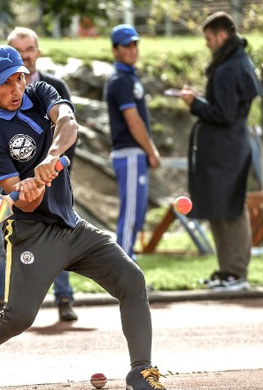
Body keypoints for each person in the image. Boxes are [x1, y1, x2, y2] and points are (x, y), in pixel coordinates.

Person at [0, 45, 175, 390]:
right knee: (19, 317)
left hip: (72, 226)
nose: (16, 87)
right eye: (5, 83)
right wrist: (32, 186)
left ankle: (140, 373)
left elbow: (68, 124)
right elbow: (20, 197)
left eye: (19, 77)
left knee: (132, 278)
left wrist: (51, 158)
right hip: (33, 233)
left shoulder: (39, 93)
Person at [0, 26, 77, 322]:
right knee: (6, 245)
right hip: (17, 181)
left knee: (61, 240)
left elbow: (68, 125)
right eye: (18, 51)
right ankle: (5, 302)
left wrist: (56, 165)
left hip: (54, 177)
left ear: (37, 52)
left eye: (29, 50)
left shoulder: (49, 87)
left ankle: (64, 299)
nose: (25, 56)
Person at [179, 11, 262, 291]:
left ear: (222, 35)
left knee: (231, 209)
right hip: (228, 148)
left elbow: (224, 113)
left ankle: (236, 273)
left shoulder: (230, 67)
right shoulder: (237, 61)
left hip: (226, 151)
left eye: (209, 38)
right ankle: (227, 270)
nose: (207, 43)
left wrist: (194, 104)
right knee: (219, 208)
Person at [104, 24, 161, 260]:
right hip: (129, 153)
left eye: (135, 44)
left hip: (134, 154)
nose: (133, 49)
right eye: (127, 45)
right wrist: (152, 150)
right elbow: (133, 120)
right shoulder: (120, 80)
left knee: (137, 215)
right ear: (115, 50)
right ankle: (123, 272)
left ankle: (128, 270)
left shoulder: (129, 77)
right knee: (129, 218)